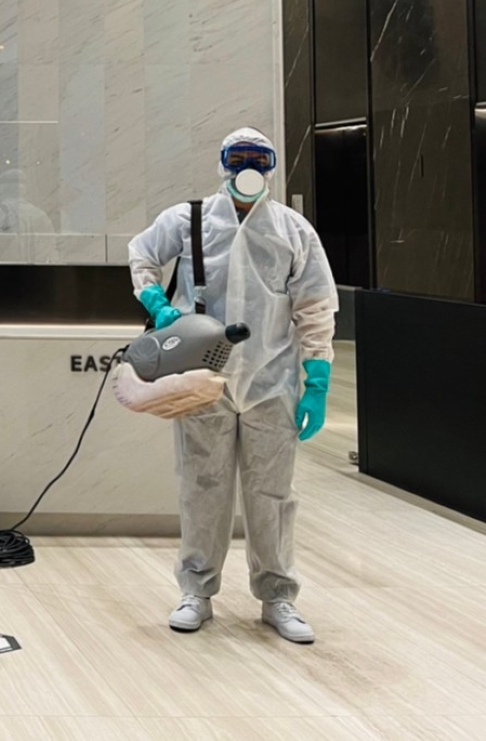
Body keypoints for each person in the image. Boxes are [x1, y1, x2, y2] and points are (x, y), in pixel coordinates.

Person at [129, 128, 336, 644]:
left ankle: (278, 596)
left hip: (272, 378)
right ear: (222, 164)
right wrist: (157, 303)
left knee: (273, 494)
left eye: (258, 159)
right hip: (203, 378)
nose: (248, 168)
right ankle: (196, 591)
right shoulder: (189, 220)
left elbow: (314, 305)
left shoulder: (293, 230)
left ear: (272, 167)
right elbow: (142, 254)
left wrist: (317, 377)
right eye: (238, 157)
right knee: (203, 487)